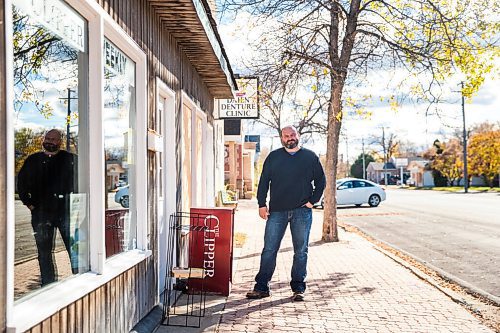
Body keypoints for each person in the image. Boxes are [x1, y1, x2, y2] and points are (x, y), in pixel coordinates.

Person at [246, 125, 326, 301]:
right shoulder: (274, 157)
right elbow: (264, 181)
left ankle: (298, 288)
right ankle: (261, 287)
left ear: (297, 136)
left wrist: (312, 201)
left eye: (292, 135)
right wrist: (261, 204)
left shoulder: (310, 156)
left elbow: (321, 181)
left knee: (301, 251)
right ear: (281, 138)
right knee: (269, 249)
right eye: (286, 136)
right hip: (277, 211)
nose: (290, 138)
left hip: (302, 212)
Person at [17, 129, 77, 286]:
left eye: (53, 139)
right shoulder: (32, 160)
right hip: (41, 215)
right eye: (47, 138)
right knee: (43, 253)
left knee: (75, 250)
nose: (50, 141)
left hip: (66, 213)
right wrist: (29, 204)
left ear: (60, 142)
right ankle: (48, 285)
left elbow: (82, 182)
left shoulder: (70, 159)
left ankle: (80, 281)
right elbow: (21, 184)